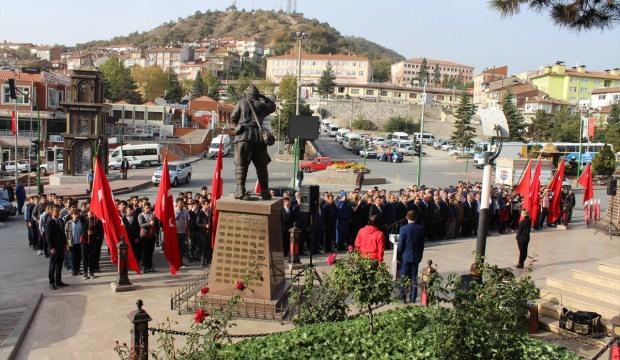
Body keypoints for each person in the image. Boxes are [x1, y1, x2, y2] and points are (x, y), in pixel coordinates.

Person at [230, 85, 276, 200]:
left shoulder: (241, 102)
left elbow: (233, 118)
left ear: (247, 94)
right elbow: (272, 106)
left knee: (241, 165)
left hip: (243, 136)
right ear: (257, 95)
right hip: (259, 138)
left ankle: (240, 190)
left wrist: (237, 125)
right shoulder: (261, 105)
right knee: (261, 167)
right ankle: (265, 192)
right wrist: (263, 97)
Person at [397, 210, 426, 303]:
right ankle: (413, 298)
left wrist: (398, 256)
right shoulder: (420, 228)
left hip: (405, 256)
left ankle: (403, 297)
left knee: (403, 277)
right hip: (415, 256)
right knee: (414, 278)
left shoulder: (403, 228)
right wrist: (420, 255)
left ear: (406, 217)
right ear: (416, 218)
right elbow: (422, 244)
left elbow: (401, 244)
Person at [46, 205, 67, 290]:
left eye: (58, 211)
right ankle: (51, 282)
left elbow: (63, 234)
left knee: (59, 265)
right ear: (52, 212)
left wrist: (65, 244)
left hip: (61, 247)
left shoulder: (61, 221)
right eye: (56, 211)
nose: (58, 212)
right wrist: (51, 248)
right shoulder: (49, 222)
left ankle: (58, 280)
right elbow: (48, 237)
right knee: (53, 265)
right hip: (53, 248)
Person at [138, 203, 157, 272]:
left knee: (150, 252)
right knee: (145, 252)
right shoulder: (141, 215)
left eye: (149, 208)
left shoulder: (152, 215)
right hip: (144, 236)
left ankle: (150, 266)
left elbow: (156, 224)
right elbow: (141, 225)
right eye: (147, 208)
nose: (148, 209)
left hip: (152, 236)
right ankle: (145, 267)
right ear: (143, 208)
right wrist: (149, 223)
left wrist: (156, 233)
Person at [64, 209, 83, 276]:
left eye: (77, 214)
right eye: (75, 214)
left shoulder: (80, 222)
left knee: (78, 257)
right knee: (72, 257)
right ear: (72, 215)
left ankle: (78, 269)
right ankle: (73, 270)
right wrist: (67, 244)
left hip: (79, 243)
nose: (77, 215)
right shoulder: (68, 223)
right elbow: (66, 234)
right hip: (71, 243)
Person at [174, 198, 189, 266]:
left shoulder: (185, 210)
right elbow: (173, 220)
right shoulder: (174, 210)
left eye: (182, 202)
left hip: (183, 232)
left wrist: (187, 230)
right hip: (176, 232)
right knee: (176, 248)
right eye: (180, 202)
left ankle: (181, 262)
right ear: (177, 203)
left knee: (181, 248)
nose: (182, 204)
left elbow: (187, 219)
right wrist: (179, 213)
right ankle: (175, 262)